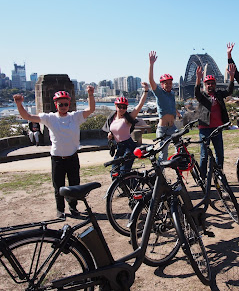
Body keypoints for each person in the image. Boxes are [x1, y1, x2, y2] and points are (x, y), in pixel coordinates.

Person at [13, 87, 95, 219]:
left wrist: (90, 94)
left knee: (74, 184)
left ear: (69, 104)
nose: (63, 107)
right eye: (60, 104)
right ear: (56, 105)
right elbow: (27, 116)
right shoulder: (50, 118)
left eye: (65, 104)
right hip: (57, 158)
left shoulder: (75, 117)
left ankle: (73, 208)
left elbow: (90, 110)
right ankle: (60, 210)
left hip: (73, 157)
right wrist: (19, 104)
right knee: (58, 186)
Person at [194, 64, 235, 177]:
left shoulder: (218, 95)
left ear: (215, 85)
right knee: (204, 155)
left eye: (212, 83)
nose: (210, 85)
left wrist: (231, 77)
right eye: (208, 84)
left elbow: (229, 91)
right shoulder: (202, 96)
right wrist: (198, 78)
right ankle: (202, 178)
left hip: (217, 128)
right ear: (205, 85)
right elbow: (196, 92)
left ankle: (218, 175)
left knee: (219, 154)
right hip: (204, 129)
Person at [102, 82, 149, 177]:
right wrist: (110, 134)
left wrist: (146, 91)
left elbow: (140, 105)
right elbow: (113, 129)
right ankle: (127, 190)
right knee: (114, 172)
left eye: (124, 107)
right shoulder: (112, 117)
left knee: (124, 174)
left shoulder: (128, 118)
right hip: (119, 147)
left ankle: (136, 189)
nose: (122, 109)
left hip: (129, 146)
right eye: (119, 107)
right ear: (116, 106)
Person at [148, 51, 182, 161]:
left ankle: (179, 169)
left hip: (173, 127)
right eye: (165, 83)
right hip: (163, 129)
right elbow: (151, 81)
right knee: (163, 154)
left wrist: (177, 113)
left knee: (181, 148)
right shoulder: (159, 93)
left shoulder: (172, 94)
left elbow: (172, 105)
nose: (168, 85)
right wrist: (151, 64)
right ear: (162, 84)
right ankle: (160, 177)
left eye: (170, 83)